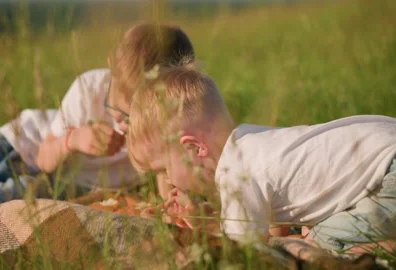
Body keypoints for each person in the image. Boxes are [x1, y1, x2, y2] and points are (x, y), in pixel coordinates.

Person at [0, 23, 196, 224]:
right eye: (118, 113)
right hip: (26, 146)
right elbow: (44, 158)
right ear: (110, 68)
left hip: (66, 182)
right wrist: (73, 140)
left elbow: (164, 170)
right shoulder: (89, 89)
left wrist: (172, 200)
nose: (125, 126)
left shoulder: (170, 114)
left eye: (136, 120)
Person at [127, 65, 396, 253]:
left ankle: (384, 248)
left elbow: (244, 253)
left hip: (391, 174)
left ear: (195, 149)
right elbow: (275, 225)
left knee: (314, 241)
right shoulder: (250, 141)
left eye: (163, 170)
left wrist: (201, 232)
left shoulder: (235, 174)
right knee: (308, 233)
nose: (166, 180)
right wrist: (207, 220)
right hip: (386, 151)